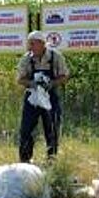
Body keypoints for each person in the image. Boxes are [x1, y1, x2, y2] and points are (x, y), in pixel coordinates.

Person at [17, 31, 69, 163]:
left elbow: (65, 76)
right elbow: (20, 79)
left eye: (33, 44)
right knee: (26, 129)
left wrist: (51, 83)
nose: (30, 47)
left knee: (52, 128)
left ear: (41, 43)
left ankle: (51, 160)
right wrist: (32, 84)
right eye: (29, 44)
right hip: (32, 97)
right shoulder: (26, 58)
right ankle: (25, 161)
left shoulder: (55, 56)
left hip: (50, 96)